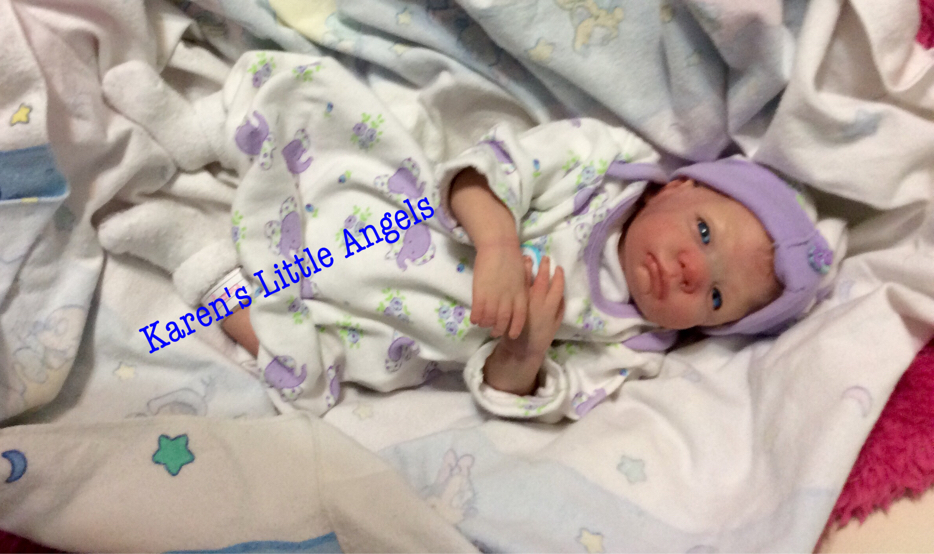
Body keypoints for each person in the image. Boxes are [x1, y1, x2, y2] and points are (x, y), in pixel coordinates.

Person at [98, 52, 840, 421]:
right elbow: (491, 168)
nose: (687, 270)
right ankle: (200, 132)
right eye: (703, 233)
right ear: (679, 186)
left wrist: (527, 352)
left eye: (715, 296)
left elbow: (535, 395)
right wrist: (496, 245)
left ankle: (193, 257)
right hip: (398, 210)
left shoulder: (633, 346)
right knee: (321, 100)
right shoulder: (606, 165)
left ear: (709, 327)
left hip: (396, 329)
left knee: (308, 372)